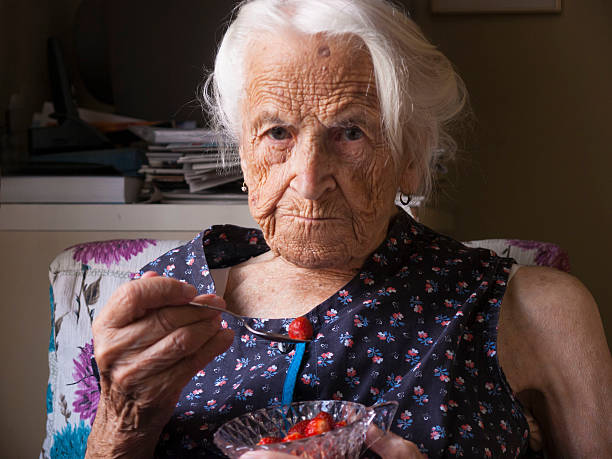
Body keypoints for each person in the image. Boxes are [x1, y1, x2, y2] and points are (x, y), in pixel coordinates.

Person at [85, 0, 612, 457]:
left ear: (410, 156)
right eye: (277, 133)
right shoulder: (163, 299)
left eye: (351, 132)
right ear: (243, 154)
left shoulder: (534, 312)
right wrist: (122, 416)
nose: (309, 180)